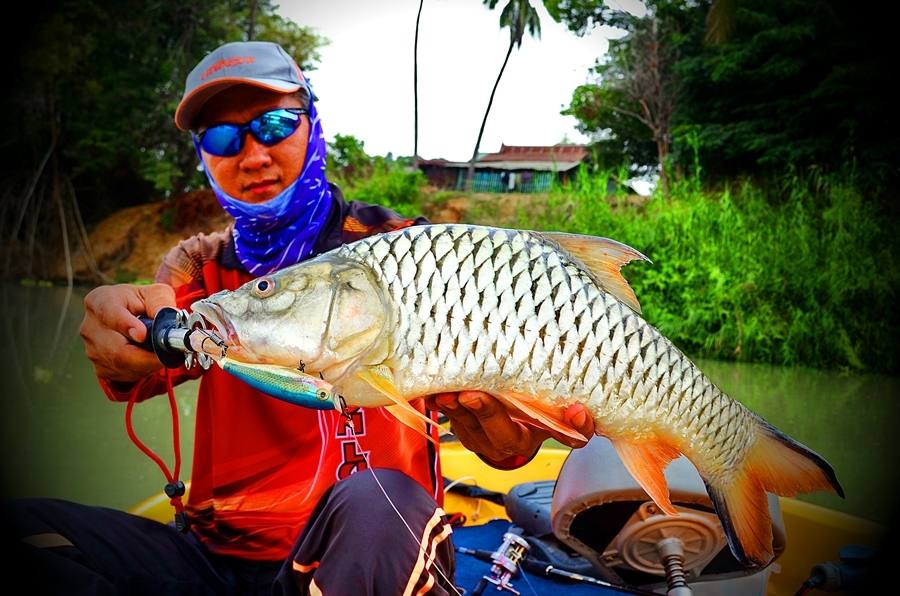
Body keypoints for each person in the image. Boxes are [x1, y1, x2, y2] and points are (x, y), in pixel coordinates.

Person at [4, 40, 594, 595]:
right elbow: (139, 360)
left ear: (314, 125)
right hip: (216, 558)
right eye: (223, 137)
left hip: (372, 540)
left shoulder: (410, 254)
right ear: (203, 157)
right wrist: (117, 340)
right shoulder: (197, 268)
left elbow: (507, 450)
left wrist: (506, 432)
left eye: (275, 124)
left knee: (377, 501)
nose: (254, 154)